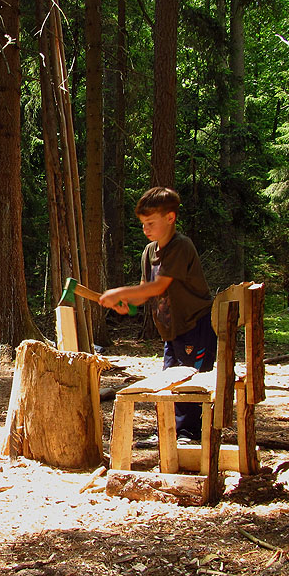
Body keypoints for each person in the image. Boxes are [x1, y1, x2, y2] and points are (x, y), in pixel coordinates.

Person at [97, 186, 215, 442]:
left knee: (189, 384)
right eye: (142, 223)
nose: (145, 229)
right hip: (172, 331)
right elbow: (144, 292)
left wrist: (119, 291)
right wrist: (125, 302)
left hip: (196, 326)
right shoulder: (149, 252)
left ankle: (188, 435)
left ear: (170, 218)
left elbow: (160, 286)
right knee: (168, 382)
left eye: (150, 222)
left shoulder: (180, 247)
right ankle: (167, 432)